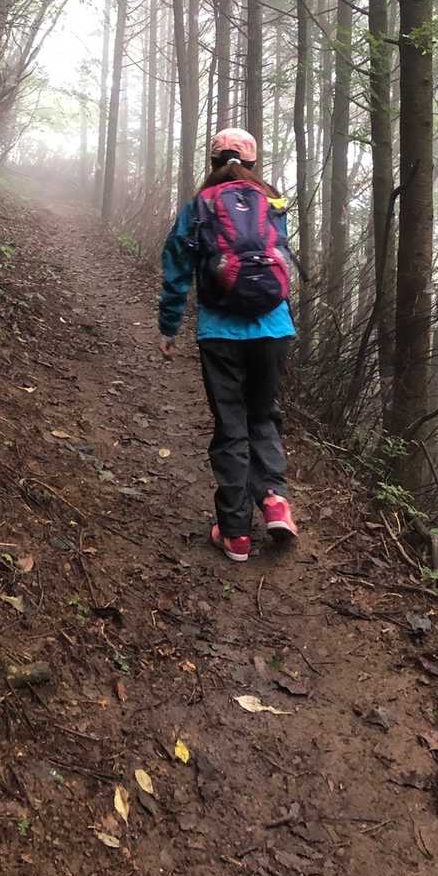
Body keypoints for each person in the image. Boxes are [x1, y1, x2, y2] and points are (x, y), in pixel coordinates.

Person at [158, 127, 299, 563]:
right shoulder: (272, 201)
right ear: (252, 163)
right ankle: (274, 499)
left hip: (220, 333)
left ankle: (236, 533)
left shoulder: (199, 206)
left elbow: (176, 268)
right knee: (263, 416)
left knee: (231, 425)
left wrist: (168, 327)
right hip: (274, 328)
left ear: (213, 161)